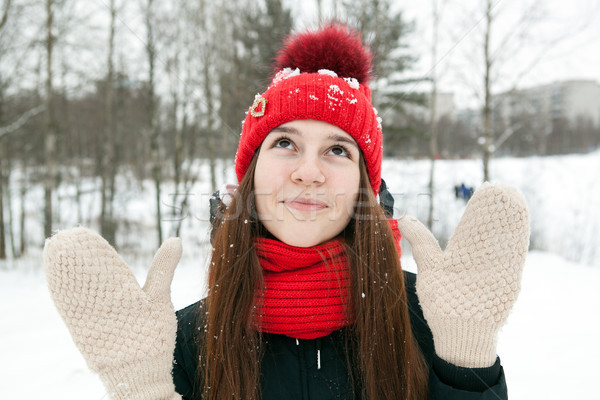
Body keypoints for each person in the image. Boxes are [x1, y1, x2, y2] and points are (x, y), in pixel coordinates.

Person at [43, 24, 530, 400]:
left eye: (338, 150)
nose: (309, 172)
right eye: (285, 143)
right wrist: (141, 385)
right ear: (251, 174)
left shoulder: (432, 316)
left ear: (366, 185)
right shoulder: (180, 342)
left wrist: (467, 357)